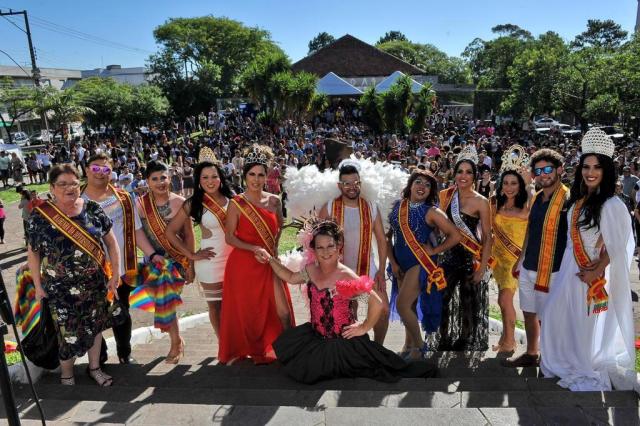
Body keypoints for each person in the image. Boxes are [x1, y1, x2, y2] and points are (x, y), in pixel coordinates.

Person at [259, 219, 436, 383]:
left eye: (330, 246)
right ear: (314, 249)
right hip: (315, 339)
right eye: (320, 247)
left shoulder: (345, 275)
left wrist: (364, 327)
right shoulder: (311, 270)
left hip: (343, 343)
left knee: (379, 369)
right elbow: (289, 277)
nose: (325, 251)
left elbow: (376, 301)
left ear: (338, 247)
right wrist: (269, 259)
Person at [540, 129, 635, 391]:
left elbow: (620, 245)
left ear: (606, 171)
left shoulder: (612, 204)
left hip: (588, 273)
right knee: (554, 316)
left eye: (596, 167)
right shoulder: (580, 199)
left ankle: (580, 363)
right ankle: (564, 361)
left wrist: (598, 270)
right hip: (569, 268)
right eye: (586, 166)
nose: (590, 172)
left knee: (582, 323)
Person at [26, 164, 120, 386]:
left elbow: (111, 243)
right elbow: (33, 254)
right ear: (52, 188)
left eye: (74, 183)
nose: (70, 188)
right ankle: (66, 373)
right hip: (58, 288)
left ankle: (95, 368)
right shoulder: (40, 216)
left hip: (94, 283)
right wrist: (38, 286)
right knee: (66, 331)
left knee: (95, 326)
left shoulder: (93, 209)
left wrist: (114, 274)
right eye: (63, 184)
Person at [81, 153, 162, 365]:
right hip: (91, 271)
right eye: (95, 168)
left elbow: (136, 231)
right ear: (87, 170)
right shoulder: (77, 200)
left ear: (112, 172)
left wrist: (152, 254)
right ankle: (100, 355)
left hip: (122, 268)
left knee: (122, 313)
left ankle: (125, 353)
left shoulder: (124, 198)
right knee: (93, 315)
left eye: (105, 169)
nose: (100, 173)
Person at [218, 145, 294, 365]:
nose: (256, 179)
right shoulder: (236, 203)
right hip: (243, 264)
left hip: (269, 262)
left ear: (267, 176)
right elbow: (230, 237)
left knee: (283, 312)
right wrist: (254, 249)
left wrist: (274, 252)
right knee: (249, 312)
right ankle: (251, 350)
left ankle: (290, 350)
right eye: (252, 174)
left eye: (261, 174)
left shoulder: (274, 201)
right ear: (244, 176)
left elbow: (279, 229)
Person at [504, 148, 568, 367]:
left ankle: (553, 359)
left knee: (550, 317)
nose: (543, 174)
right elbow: (531, 230)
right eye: (538, 170)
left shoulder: (568, 199)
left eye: (548, 169)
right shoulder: (538, 197)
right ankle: (532, 353)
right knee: (529, 312)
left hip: (554, 269)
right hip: (529, 264)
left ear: (560, 170)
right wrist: (520, 258)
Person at [387, 170, 460, 359]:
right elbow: (387, 237)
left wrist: (435, 251)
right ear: (410, 185)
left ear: (431, 191)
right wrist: (393, 263)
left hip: (420, 264)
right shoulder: (397, 206)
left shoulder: (432, 212)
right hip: (400, 263)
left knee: (402, 305)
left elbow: (456, 236)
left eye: (427, 185)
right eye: (418, 182)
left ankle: (420, 348)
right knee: (409, 307)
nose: (422, 187)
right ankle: (408, 346)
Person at [318, 162, 389, 345]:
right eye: (347, 183)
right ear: (339, 186)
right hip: (341, 270)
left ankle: (378, 348)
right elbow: (317, 240)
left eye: (355, 182)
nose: (352, 187)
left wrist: (381, 270)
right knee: (349, 313)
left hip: (368, 268)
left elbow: (382, 240)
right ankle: (353, 351)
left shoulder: (371, 207)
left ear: (360, 183)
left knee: (383, 309)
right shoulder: (330, 206)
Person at [166, 148, 234, 338]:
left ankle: (238, 343)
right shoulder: (193, 203)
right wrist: (191, 255)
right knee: (216, 307)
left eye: (214, 176)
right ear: (199, 180)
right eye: (205, 177)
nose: (210, 181)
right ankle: (224, 347)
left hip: (235, 260)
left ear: (221, 177)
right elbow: (170, 232)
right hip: (210, 262)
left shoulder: (233, 199)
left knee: (236, 305)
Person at [135, 161, 195, 363]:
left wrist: (191, 264)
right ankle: (177, 340)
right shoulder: (141, 204)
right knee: (164, 301)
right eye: (155, 179)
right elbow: (138, 233)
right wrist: (152, 255)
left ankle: (175, 342)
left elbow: (189, 235)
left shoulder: (181, 202)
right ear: (147, 182)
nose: (160, 182)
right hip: (153, 260)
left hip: (176, 260)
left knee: (167, 300)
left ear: (170, 178)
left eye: (163, 177)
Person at [436, 146, 493, 351]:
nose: (463, 176)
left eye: (469, 172)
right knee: (442, 298)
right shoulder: (446, 196)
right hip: (448, 258)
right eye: (460, 171)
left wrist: (483, 267)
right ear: (454, 173)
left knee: (468, 303)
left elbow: (487, 237)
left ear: (474, 176)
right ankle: (443, 338)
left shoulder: (482, 201)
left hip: (471, 259)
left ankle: (465, 339)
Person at [490, 146, 530, 354]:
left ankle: (510, 342)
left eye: (514, 183)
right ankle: (505, 338)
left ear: (520, 185)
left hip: (516, 260)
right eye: (505, 183)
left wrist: (529, 184)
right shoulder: (496, 203)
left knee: (505, 300)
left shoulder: (526, 205)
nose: (509, 187)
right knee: (501, 300)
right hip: (498, 260)